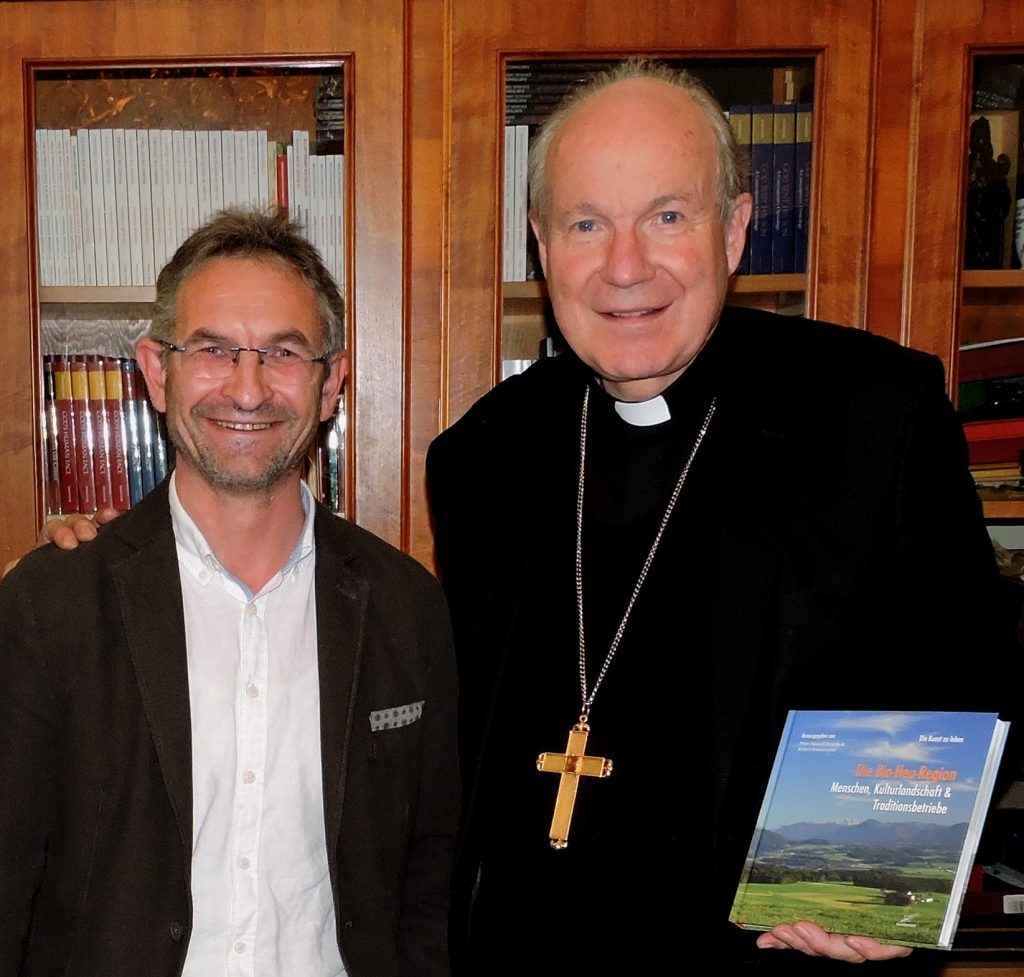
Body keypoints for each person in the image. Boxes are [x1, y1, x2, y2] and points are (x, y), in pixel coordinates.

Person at [425, 60, 1010, 971]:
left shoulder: (869, 412)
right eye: (587, 224)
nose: (627, 267)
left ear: (734, 229)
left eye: (667, 217)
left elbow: (975, 671)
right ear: (542, 246)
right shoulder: (480, 457)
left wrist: (885, 880)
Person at [0, 210, 459, 977]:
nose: (247, 390)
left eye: (283, 352)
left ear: (330, 383)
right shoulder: (52, 604)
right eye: (212, 349)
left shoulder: (407, 608)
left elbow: (429, 879)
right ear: (155, 370)